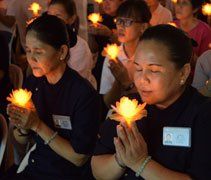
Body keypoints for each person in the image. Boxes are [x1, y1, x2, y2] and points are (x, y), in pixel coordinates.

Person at [91, 24, 211, 180]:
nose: (142, 79)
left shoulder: (203, 114)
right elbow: (97, 169)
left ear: (183, 72)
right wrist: (120, 159)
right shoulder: (129, 106)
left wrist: (140, 163)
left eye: (154, 71)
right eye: (138, 69)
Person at [5, 15, 100, 180]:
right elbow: (20, 140)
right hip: (38, 167)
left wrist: (37, 125)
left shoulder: (83, 94)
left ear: (62, 52)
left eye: (39, 52)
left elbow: (79, 158)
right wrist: (23, 125)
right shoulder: (34, 83)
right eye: (28, 51)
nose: (31, 59)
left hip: (68, 174)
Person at [100, 0, 151, 108]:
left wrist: (127, 83)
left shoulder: (151, 56)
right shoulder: (113, 56)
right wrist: (118, 80)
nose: (121, 27)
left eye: (127, 22)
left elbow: (150, 102)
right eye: (119, 21)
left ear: (143, 27)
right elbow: (109, 103)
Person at [48, 0, 97, 89]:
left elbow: (75, 83)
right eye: (49, 15)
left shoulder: (80, 47)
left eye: (57, 16)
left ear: (71, 19)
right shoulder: (46, 43)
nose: (52, 20)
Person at [89, 0, 125, 91]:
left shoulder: (126, 21)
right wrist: (90, 35)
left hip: (121, 65)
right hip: (100, 65)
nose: (106, 3)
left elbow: (126, 44)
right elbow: (94, 49)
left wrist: (110, 34)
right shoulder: (101, 19)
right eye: (104, 0)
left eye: (111, 0)